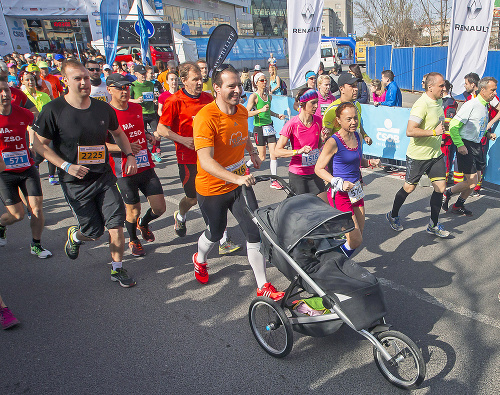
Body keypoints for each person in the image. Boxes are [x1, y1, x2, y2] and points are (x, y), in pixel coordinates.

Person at [33, 59, 137, 287]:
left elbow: (118, 133)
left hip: (103, 176)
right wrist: (65, 165)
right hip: (75, 182)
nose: (84, 83)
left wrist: (129, 155)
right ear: (65, 81)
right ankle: (76, 236)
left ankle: (117, 269)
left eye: (87, 78)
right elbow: (39, 145)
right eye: (77, 78)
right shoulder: (53, 110)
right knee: (93, 232)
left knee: (116, 224)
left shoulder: (102, 108)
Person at [192, 64, 284, 301]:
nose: (237, 90)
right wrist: (237, 177)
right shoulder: (205, 117)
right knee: (214, 233)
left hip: (239, 185)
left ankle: (262, 284)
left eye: (239, 85)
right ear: (217, 88)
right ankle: (199, 259)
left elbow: (241, 136)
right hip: (212, 188)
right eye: (230, 86)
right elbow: (205, 161)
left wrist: (251, 151)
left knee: (255, 232)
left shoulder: (242, 111)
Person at [106, 73, 166, 256]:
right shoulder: (106, 113)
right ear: (109, 90)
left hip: (144, 164)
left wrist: (147, 135)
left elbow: (139, 128)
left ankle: (144, 223)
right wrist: (124, 148)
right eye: (120, 87)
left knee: (160, 208)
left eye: (126, 87)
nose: (125, 90)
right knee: (133, 210)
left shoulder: (136, 108)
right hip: (123, 169)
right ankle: (133, 239)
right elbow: (100, 145)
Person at [386, 72, 450, 237]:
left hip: (435, 154)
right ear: (430, 87)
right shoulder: (421, 104)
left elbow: (438, 123)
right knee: (409, 188)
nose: (444, 88)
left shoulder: (439, 101)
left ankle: (433, 225)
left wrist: (441, 134)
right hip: (418, 156)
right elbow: (410, 130)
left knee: (440, 188)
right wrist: (433, 132)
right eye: (441, 85)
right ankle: (392, 215)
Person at [156, 62, 213, 238]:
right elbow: (161, 129)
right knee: (192, 199)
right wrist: (183, 140)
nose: (199, 83)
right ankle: (180, 215)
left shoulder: (208, 99)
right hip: (187, 157)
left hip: (209, 156)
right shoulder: (174, 101)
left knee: (212, 195)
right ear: (183, 80)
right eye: (195, 79)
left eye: (201, 79)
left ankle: (219, 235)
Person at [316, 102, 380, 257]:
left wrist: (369, 162)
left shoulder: (357, 136)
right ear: (338, 120)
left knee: (357, 236)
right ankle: (333, 265)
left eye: (355, 118)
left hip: (356, 191)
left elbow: (357, 161)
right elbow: (318, 169)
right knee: (355, 239)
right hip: (340, 194)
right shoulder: (333, 141)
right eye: (349, 119)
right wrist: (338, 182)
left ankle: (336, 260)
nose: (353, 122)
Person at [0, 80, 52, 258]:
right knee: (17, 216)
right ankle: (1, 224)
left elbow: (36, 125)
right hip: (4, 172)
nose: (5, 94)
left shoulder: (23, 113)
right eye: (0, 91)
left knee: (37, 208)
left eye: (7, 90)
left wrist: (33, 139)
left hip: (27, 167)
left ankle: (36, 244)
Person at [442, 77, 498, 216]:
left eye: (495, 90)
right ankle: (447, 193)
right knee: (472, 181)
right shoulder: (471, 105)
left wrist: (486, 134)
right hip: (466, 145)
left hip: (477, 145)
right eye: (492, 90)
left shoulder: (484, 104)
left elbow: (476, 125)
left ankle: (458, 205)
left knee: (476, 180)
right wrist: (460, 145)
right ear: (483, 89)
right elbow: (454, 125)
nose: (494, 93)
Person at [275, 88, 327, 200]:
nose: (316, 106)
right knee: (302, 210)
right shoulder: (292, 124)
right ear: (302, 104)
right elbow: (277, 151)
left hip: (314, 171)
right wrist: (298, 151)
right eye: (313, 103)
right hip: (298, 174)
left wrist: (323, 138)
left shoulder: (318, 120)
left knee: (324, 206)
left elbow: (317, 146)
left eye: (317, 102)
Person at [246, 71, 286, 190]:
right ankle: (246, 165)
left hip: (269, 126)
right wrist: (260, 110)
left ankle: (274, 180)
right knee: (262, 157)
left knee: (274, 154)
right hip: (259, 128)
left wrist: (277, 115)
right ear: (256, 83)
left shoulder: (269, 96)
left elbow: (268, 111)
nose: (265, 82)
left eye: (265, 80)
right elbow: (246, 113)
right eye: (262, 81)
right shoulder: (254, 97)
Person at [322, 73, 373, 146]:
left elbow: (358, 124)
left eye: (356, 86)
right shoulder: (333, 109)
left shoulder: (357, 104)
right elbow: (326, 138)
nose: (356, 89)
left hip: (355, 149)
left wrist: (365, 135)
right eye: (352, 86)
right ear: (341, 89)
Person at [130, 64, 158, 161]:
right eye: (141, 74)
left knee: (157, 134)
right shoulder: (133, 85)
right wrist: (136, 101)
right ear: (136, 74)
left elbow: (152, 96)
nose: (143, 75)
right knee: (143, 135)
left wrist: (154, 99)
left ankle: (155, 151)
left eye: (144, 73)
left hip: (151, 112)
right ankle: (147, 153)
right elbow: (128, 99)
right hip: (140, 113)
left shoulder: (150, 84)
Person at [441, 80, 458, 184]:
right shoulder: (442, 101)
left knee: (445, 160)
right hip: (440, 135)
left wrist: (443, 138)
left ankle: (444, 181)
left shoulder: (450, 102)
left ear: (444, 88)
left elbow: (448, 122)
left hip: (446, 139)